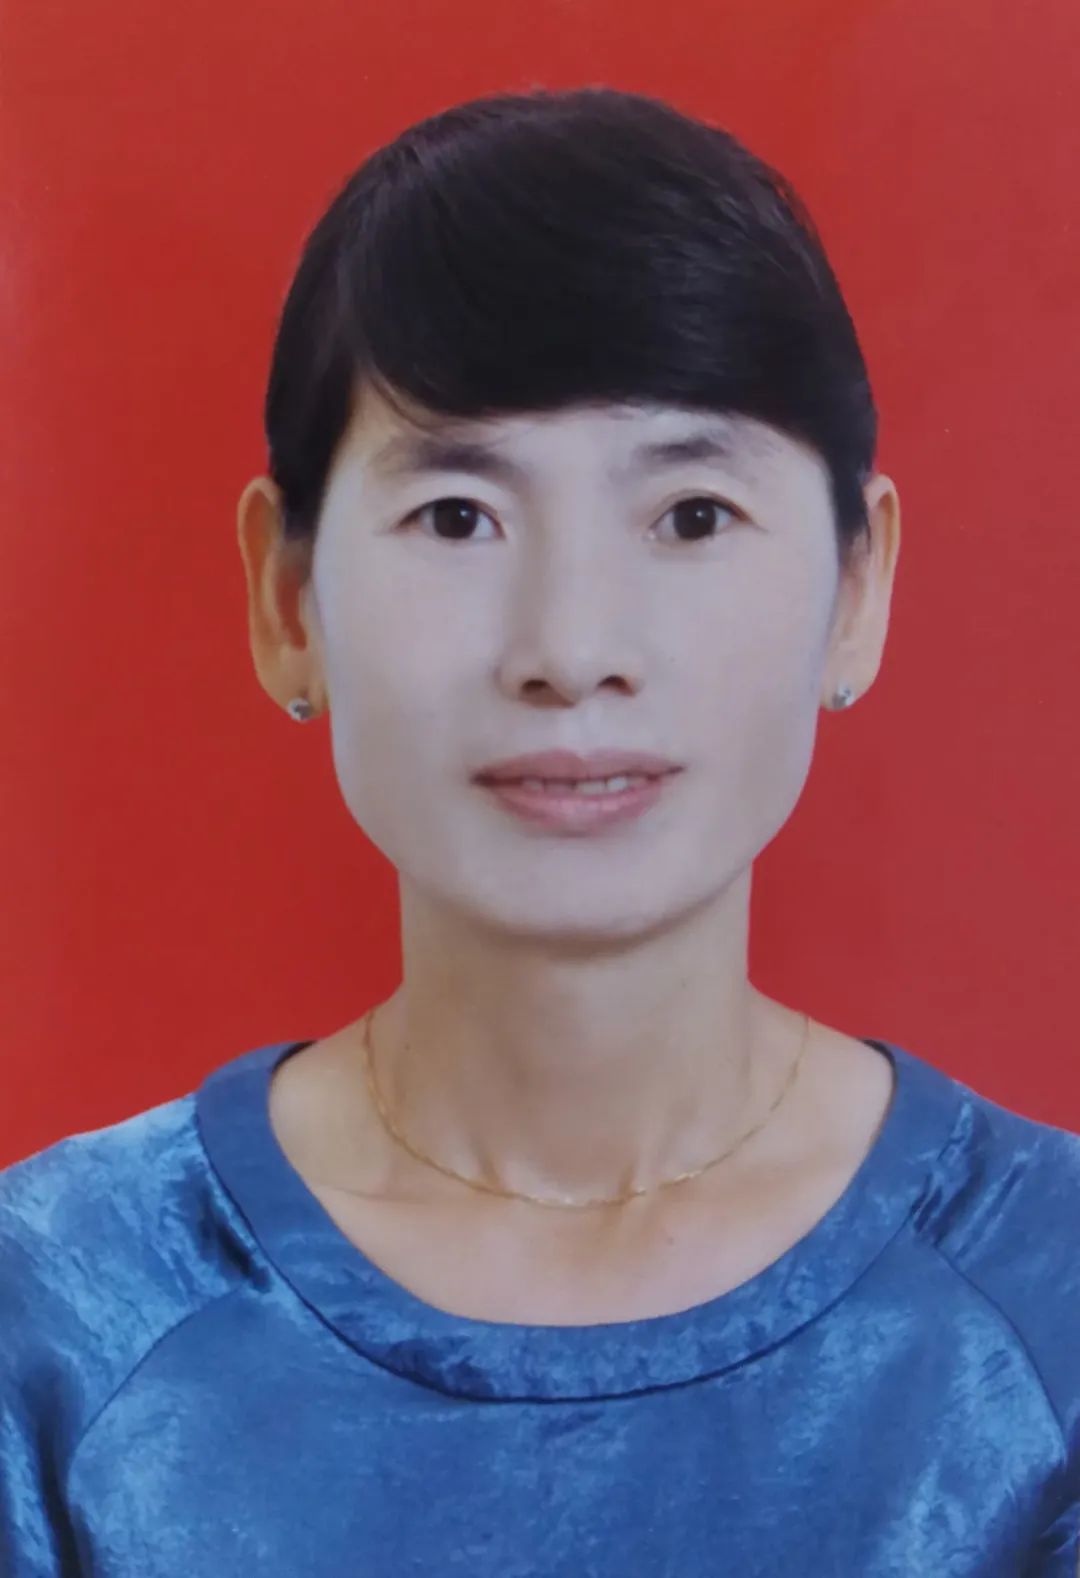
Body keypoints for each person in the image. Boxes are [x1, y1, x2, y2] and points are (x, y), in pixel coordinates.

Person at [1, 85, 1078, 1577]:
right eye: (458, 515)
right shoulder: (57, 1312)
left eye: (691, 513)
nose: (571, 650)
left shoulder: (1048, 1296)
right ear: (288, 599)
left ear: (857, 588)